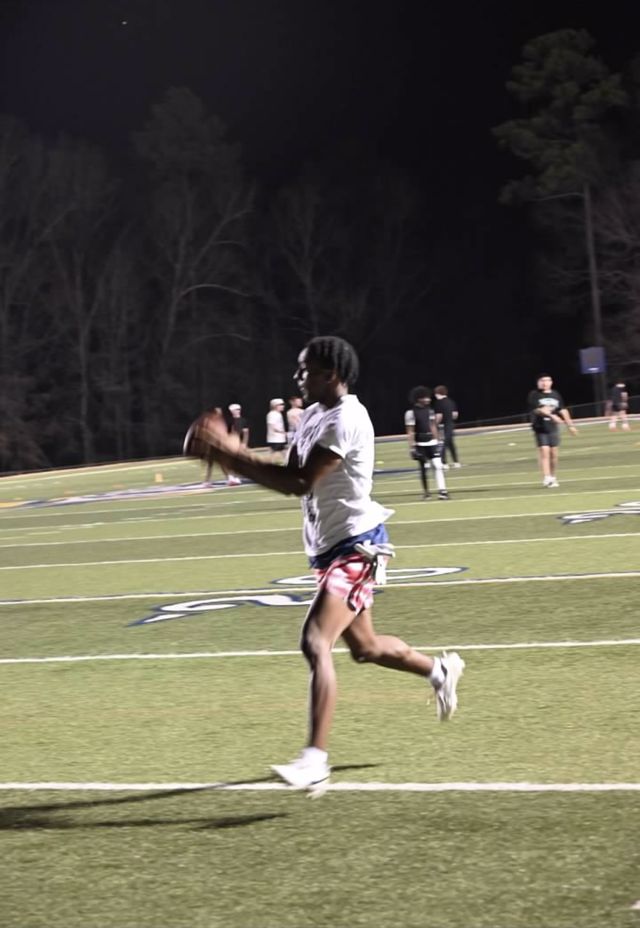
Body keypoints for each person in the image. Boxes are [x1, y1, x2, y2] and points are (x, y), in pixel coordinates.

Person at [185, 336, 465, 792]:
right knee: (365, 648)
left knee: (316, 641)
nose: (298, 376)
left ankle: (315, 760)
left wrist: (230, 452)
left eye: (306, 369)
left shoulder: (346, 419)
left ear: (331, 374)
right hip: (329, 547)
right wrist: (231, 454)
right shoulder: (314, 414)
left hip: (357, 545)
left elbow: (299, 482)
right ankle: (439, 670)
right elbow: (287, 468)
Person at [527, 374, 578, 488]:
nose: (545, 383)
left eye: (547, 380)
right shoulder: (534, 394)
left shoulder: (556, 394)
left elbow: (563, 410)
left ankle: (553, 476)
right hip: (540, 427)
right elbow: (538, 410)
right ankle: (547, 478)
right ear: (538, 382)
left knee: (554, 454)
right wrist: (552, 416)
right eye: (542, 381)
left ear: (551, 382)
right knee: (544, 451)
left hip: (553, 427)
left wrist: (570, 425)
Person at [405, 386, 449, 500]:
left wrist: (438, 440)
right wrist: (412, 447)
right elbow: (410, 431)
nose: (428, 399)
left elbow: (433, 426)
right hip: (420, 443)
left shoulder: (430, 411)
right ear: (418, 399)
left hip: (432, 442)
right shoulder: (410, 413)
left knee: (438, 466)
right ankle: (426, 492)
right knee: (424, 468)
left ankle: (442, 491)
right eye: (425, 397)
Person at [433, 385, 460, 468]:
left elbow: (439, 416)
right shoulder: (451, 402)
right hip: (451, 424)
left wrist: (434, 425)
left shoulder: (438, 403)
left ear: (437, 393)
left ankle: (444, 463)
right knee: (451, 443)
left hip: (443, 425)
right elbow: (455, 415)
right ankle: (456, 462)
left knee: (443, 444)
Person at [225, 403, 250, 486]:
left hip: (240, 444)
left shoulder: (243, 420)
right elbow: (228, 433)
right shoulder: (229, 421)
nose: (238, 411)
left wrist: (244, 443)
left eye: (239, 409)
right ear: (232, 411)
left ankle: (237, 477)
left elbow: (246, 433)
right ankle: (231, 477)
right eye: (236, 410)